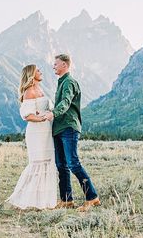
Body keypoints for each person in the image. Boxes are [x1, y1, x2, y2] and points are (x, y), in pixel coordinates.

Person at [44, 54, 101, 212]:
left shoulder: (69, 82)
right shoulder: (61, 82)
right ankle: (67, 200)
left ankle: (92, 197)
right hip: (59, 129)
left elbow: (66, 102)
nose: (53, 66)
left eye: (55, 64)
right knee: (61, 165)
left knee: (73, 163)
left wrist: (53, 113)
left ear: (64, 65)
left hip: (68, 127)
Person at [5, 64, 57, 209]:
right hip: (36, 132)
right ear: (32, 75)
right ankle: (29, 199)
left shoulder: (40, 89)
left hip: (46, 131)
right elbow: (28, 115)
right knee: (37, 163)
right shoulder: (29, 91)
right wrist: (43, 118)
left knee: (47, 161)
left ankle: (43, 200)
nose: (41, 72)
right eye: (38, 71)